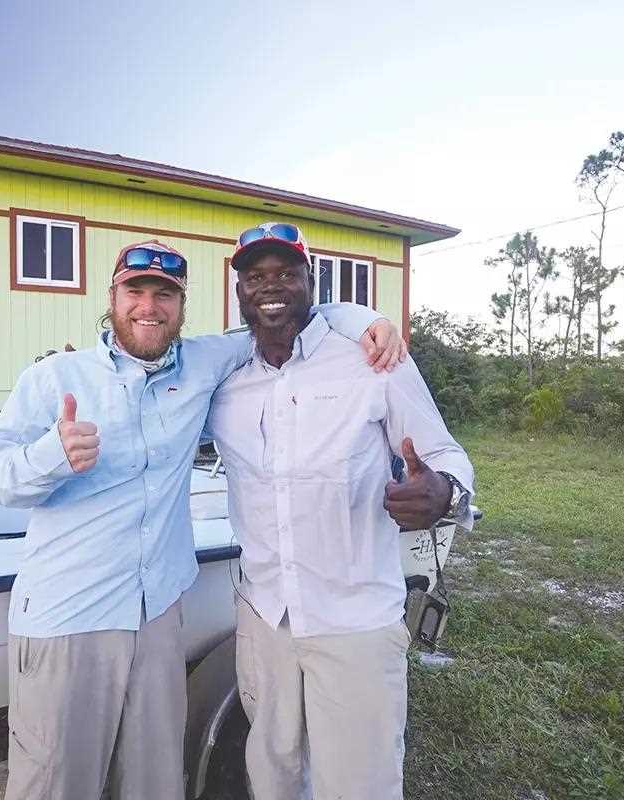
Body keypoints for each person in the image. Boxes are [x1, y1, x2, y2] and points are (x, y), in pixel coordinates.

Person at [0, 238, 407, 800]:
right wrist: (51, 455)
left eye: (165, 295)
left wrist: (365, 319)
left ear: (182, 306)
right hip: (69, 615)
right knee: (55, 782)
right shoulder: (54, 377)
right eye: (135, 291)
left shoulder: (207, 362)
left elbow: (281, 312)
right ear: (112, 298)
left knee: (156, 782)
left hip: (158, 616)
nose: (149, 306)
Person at [205, 222, 475, 800]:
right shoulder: (224, 378)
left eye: (286, 273)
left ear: (312, 282)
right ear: (239, 290)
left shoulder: (372, 360)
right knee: (273, 777)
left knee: (360, 784)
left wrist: (444, 493)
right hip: (265, 618)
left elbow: (443, 453)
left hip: (355, 619)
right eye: (255, 276)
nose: (270, 286)